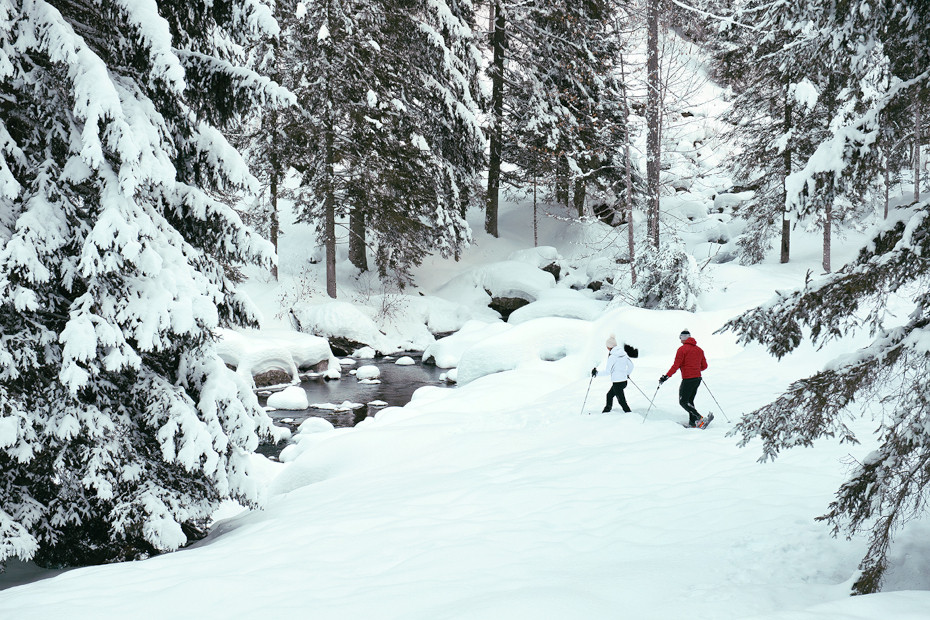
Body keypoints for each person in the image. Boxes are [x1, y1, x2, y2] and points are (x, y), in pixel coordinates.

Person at [659, 329, 709, 427]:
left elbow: (676, 365)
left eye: (680, 337)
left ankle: (700, 418)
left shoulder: (682, 349)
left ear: (683, 338)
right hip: (697, 379)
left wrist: (666, 376)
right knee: (690, 401)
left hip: (688, 379)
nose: (680, 340)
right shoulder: (699, 350)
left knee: (683, 401)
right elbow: (704, 366)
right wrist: (695, 369)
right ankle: (693, 422)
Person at [591, 335, 634, 413]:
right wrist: (627, 374)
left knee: (622, 402)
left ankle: (630, 415)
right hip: (624, 382)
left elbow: (608, 372)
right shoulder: (623, 354)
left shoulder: (612, 356)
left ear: (609, 347)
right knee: (609, 395)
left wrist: (596, 373)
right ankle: (606, 411)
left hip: (617, 382)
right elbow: (631, 365)